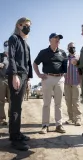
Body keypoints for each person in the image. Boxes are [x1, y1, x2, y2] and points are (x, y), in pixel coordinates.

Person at [33, 33, 68, 134]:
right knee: (46, 103)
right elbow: (35, 63)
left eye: (59, 38)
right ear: (50, 40)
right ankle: (45, 125)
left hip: (59, 79)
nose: (58, 40)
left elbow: (65, 66)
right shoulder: (43, 52)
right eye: (56, 38)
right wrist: (39, 74)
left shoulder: (63, 53)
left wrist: (63, 76)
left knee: (59, 104)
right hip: (47, 78)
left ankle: (59, 125)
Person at [7, 17, 33, 151]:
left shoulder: (26, 44)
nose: (28, 28)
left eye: (29, 26)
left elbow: (28, 63)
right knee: (15, 108)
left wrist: (28, 79)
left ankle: (17, 132)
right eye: (26, 25)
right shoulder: (13, 39)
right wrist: (14, 75)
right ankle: (14, 138)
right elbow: (11, 57)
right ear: (19, 25)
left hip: (24, 76)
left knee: (19, 106)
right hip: (16, 75)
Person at [65, 42, 81, 126]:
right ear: (67, 49)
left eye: (73, 47)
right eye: (70, 47)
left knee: (76, 102)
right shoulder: (65, 58)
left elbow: (81, 69)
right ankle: (71, 118)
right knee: (68, 102)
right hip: (67, 83)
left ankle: (77, 119)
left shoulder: (79, 57)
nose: (72, 48)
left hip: (76, 83)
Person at [0, 41, 10, 125]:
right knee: (1, 100)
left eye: (8, 45)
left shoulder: (14, 56)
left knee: (12, 100)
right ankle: (2, 118)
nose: (7, 47)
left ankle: (12, 118)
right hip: (1, 79)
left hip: (11, 79)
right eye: (6, 45)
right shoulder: (0, 55)